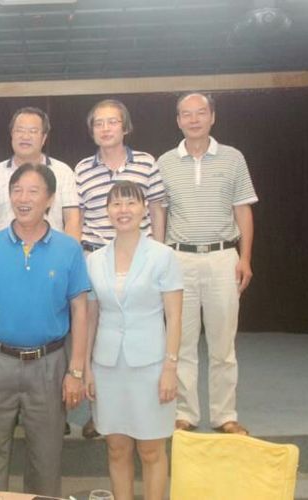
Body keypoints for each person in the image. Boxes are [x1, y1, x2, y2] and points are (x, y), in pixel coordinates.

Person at [0, 163, 90, 497]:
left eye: (33, 191)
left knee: (46, 460)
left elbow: (80, 310)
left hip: (49, 364)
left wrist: (76, 371)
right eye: (17, 190)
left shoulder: (69, 249)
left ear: (50, 199)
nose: (23, 198)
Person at [158, 92, 258, 435]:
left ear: (212, 117)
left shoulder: (233, 158)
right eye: (186, 114)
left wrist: (245, 258)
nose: (194, 119)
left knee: (223, 345)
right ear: (178, 121)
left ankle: (224, 415)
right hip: (178, 259)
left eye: (201, 113)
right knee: (181, 343)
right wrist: (160, 258)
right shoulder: (165, 162)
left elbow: (243, 210)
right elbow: (160, 214)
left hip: (222, 258)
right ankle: (184, 413)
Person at [74, 98, 166, 439]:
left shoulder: (146, 163)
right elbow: (78, 216)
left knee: (140, 331)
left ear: (125, 127)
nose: (105, 128)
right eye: (98, 123)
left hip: (140, 260)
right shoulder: (82, 169)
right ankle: (98, 410)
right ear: (91, 131)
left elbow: (157, 209)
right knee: (95, 335)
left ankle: (148, 405)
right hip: (96, 258)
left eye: (112, 122)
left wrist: (159, 252)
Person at [85, 181, 183, 500]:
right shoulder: (94, 259)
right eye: (116, 204)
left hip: (151, 366)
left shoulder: (163, 256)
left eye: (130, 203)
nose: (123, 210)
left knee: (151, 450)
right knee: (116, 448)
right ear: (107, 211)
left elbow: (175, 317)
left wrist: (170, 368)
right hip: (107, 366)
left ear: (144, 210)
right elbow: (91, 317)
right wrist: (85, 367)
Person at [0, 107, 80, 241]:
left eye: (33, 131)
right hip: (3, 252)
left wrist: (70, 251)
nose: (25, 136)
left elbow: (72, 219)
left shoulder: (63, 171)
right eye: (19, 130)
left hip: (51, 251)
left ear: (44, 138)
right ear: (12, 135)